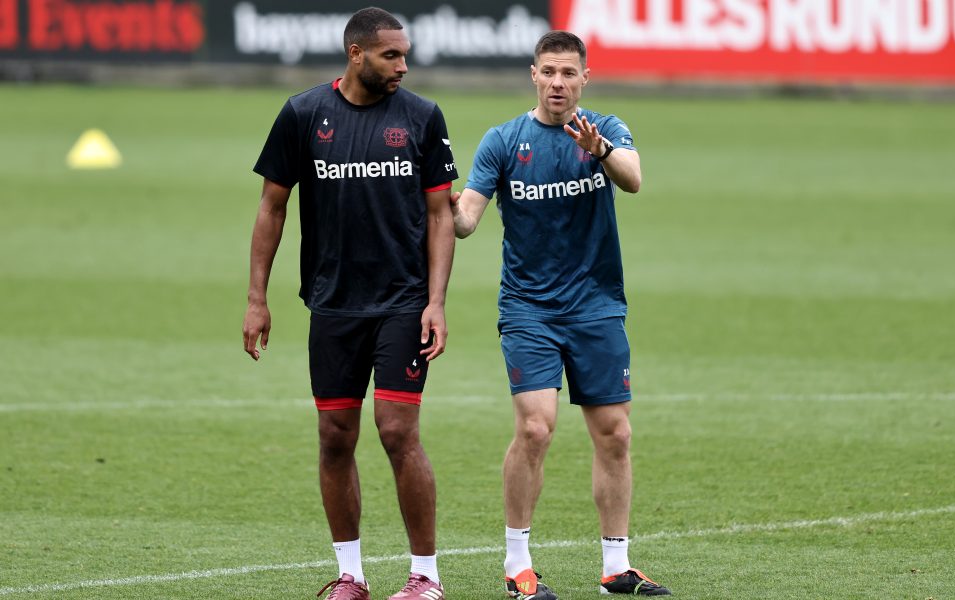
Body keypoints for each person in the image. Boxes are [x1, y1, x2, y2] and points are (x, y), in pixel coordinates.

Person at [242, 7, 457, 600]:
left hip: (402, 302)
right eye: (391, 56)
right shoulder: (304, 114)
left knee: (396, 431)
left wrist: (435, 301)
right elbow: (272, 208)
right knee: (335, 435)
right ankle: (351, 576)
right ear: (356, 53)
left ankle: (425, 577)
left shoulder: (421, 117)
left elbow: (441, 214)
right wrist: (256, 299)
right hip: (332, 304)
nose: (403, 66)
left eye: (406, 55)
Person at [450, 31, 671, 597]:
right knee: (535, 427)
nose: (558, 83)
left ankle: (616, 566)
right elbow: (467, 219)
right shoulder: (503, 141)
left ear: (584, 78)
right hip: (529, 308)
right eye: (549, 71)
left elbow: (634, 179)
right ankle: (517, 563)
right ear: (533, 74)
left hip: (596, 306)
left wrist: (598, 149)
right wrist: (435, 198)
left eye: (569, 73)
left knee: (615, 434)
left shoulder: (606, 130)